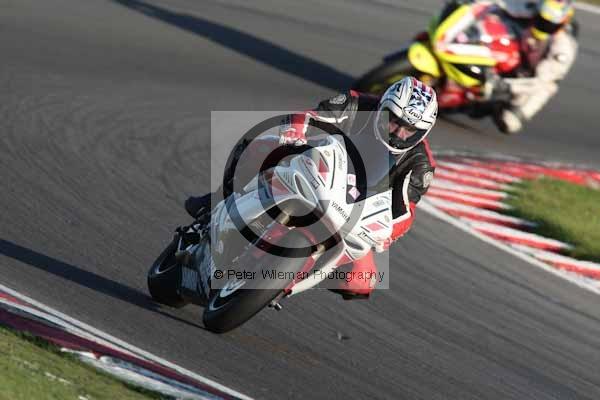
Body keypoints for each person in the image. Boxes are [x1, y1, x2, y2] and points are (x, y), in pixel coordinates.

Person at [185, 77, 438, 299]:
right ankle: (214, 206)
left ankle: (280, 285)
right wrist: (294, 133)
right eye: (393, 120)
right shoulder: (356, 104)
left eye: (410, 130)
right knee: (260, 147)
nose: (399, 133)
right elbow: (310, 117)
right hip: (315, 166)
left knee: (362, 281)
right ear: (383, 105)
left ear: (423, 132)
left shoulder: (421, 164)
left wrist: (388, 233)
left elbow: (404, 210)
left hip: (353, 210)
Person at [431, 0, 577, 133]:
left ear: (563, 22)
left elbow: (540, 83)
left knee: (509, 122)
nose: (543, 26)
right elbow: (502, 4)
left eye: (549, 24)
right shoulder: (531, 7)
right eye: (541, 20)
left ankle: (479, 105)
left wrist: (506, 86)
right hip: (517, 54)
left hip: (531, 83)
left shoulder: (563, 49)